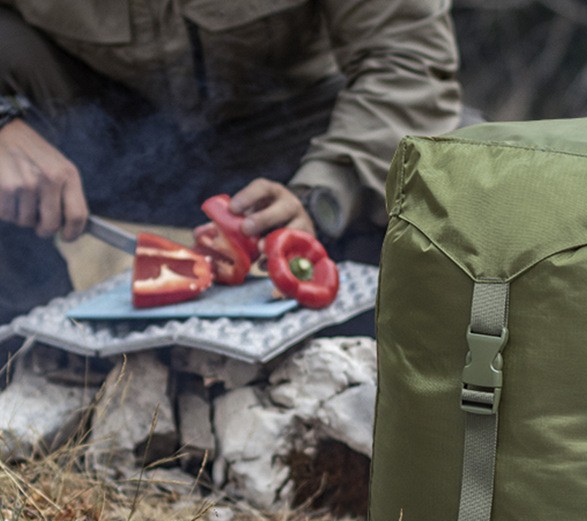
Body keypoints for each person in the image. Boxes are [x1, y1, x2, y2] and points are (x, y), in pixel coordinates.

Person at [0, 1, 463, 324]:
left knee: (456, 168)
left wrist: (324, 191)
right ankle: (32, 390)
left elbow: (408, 59)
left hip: (291, 138)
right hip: (95, 141)